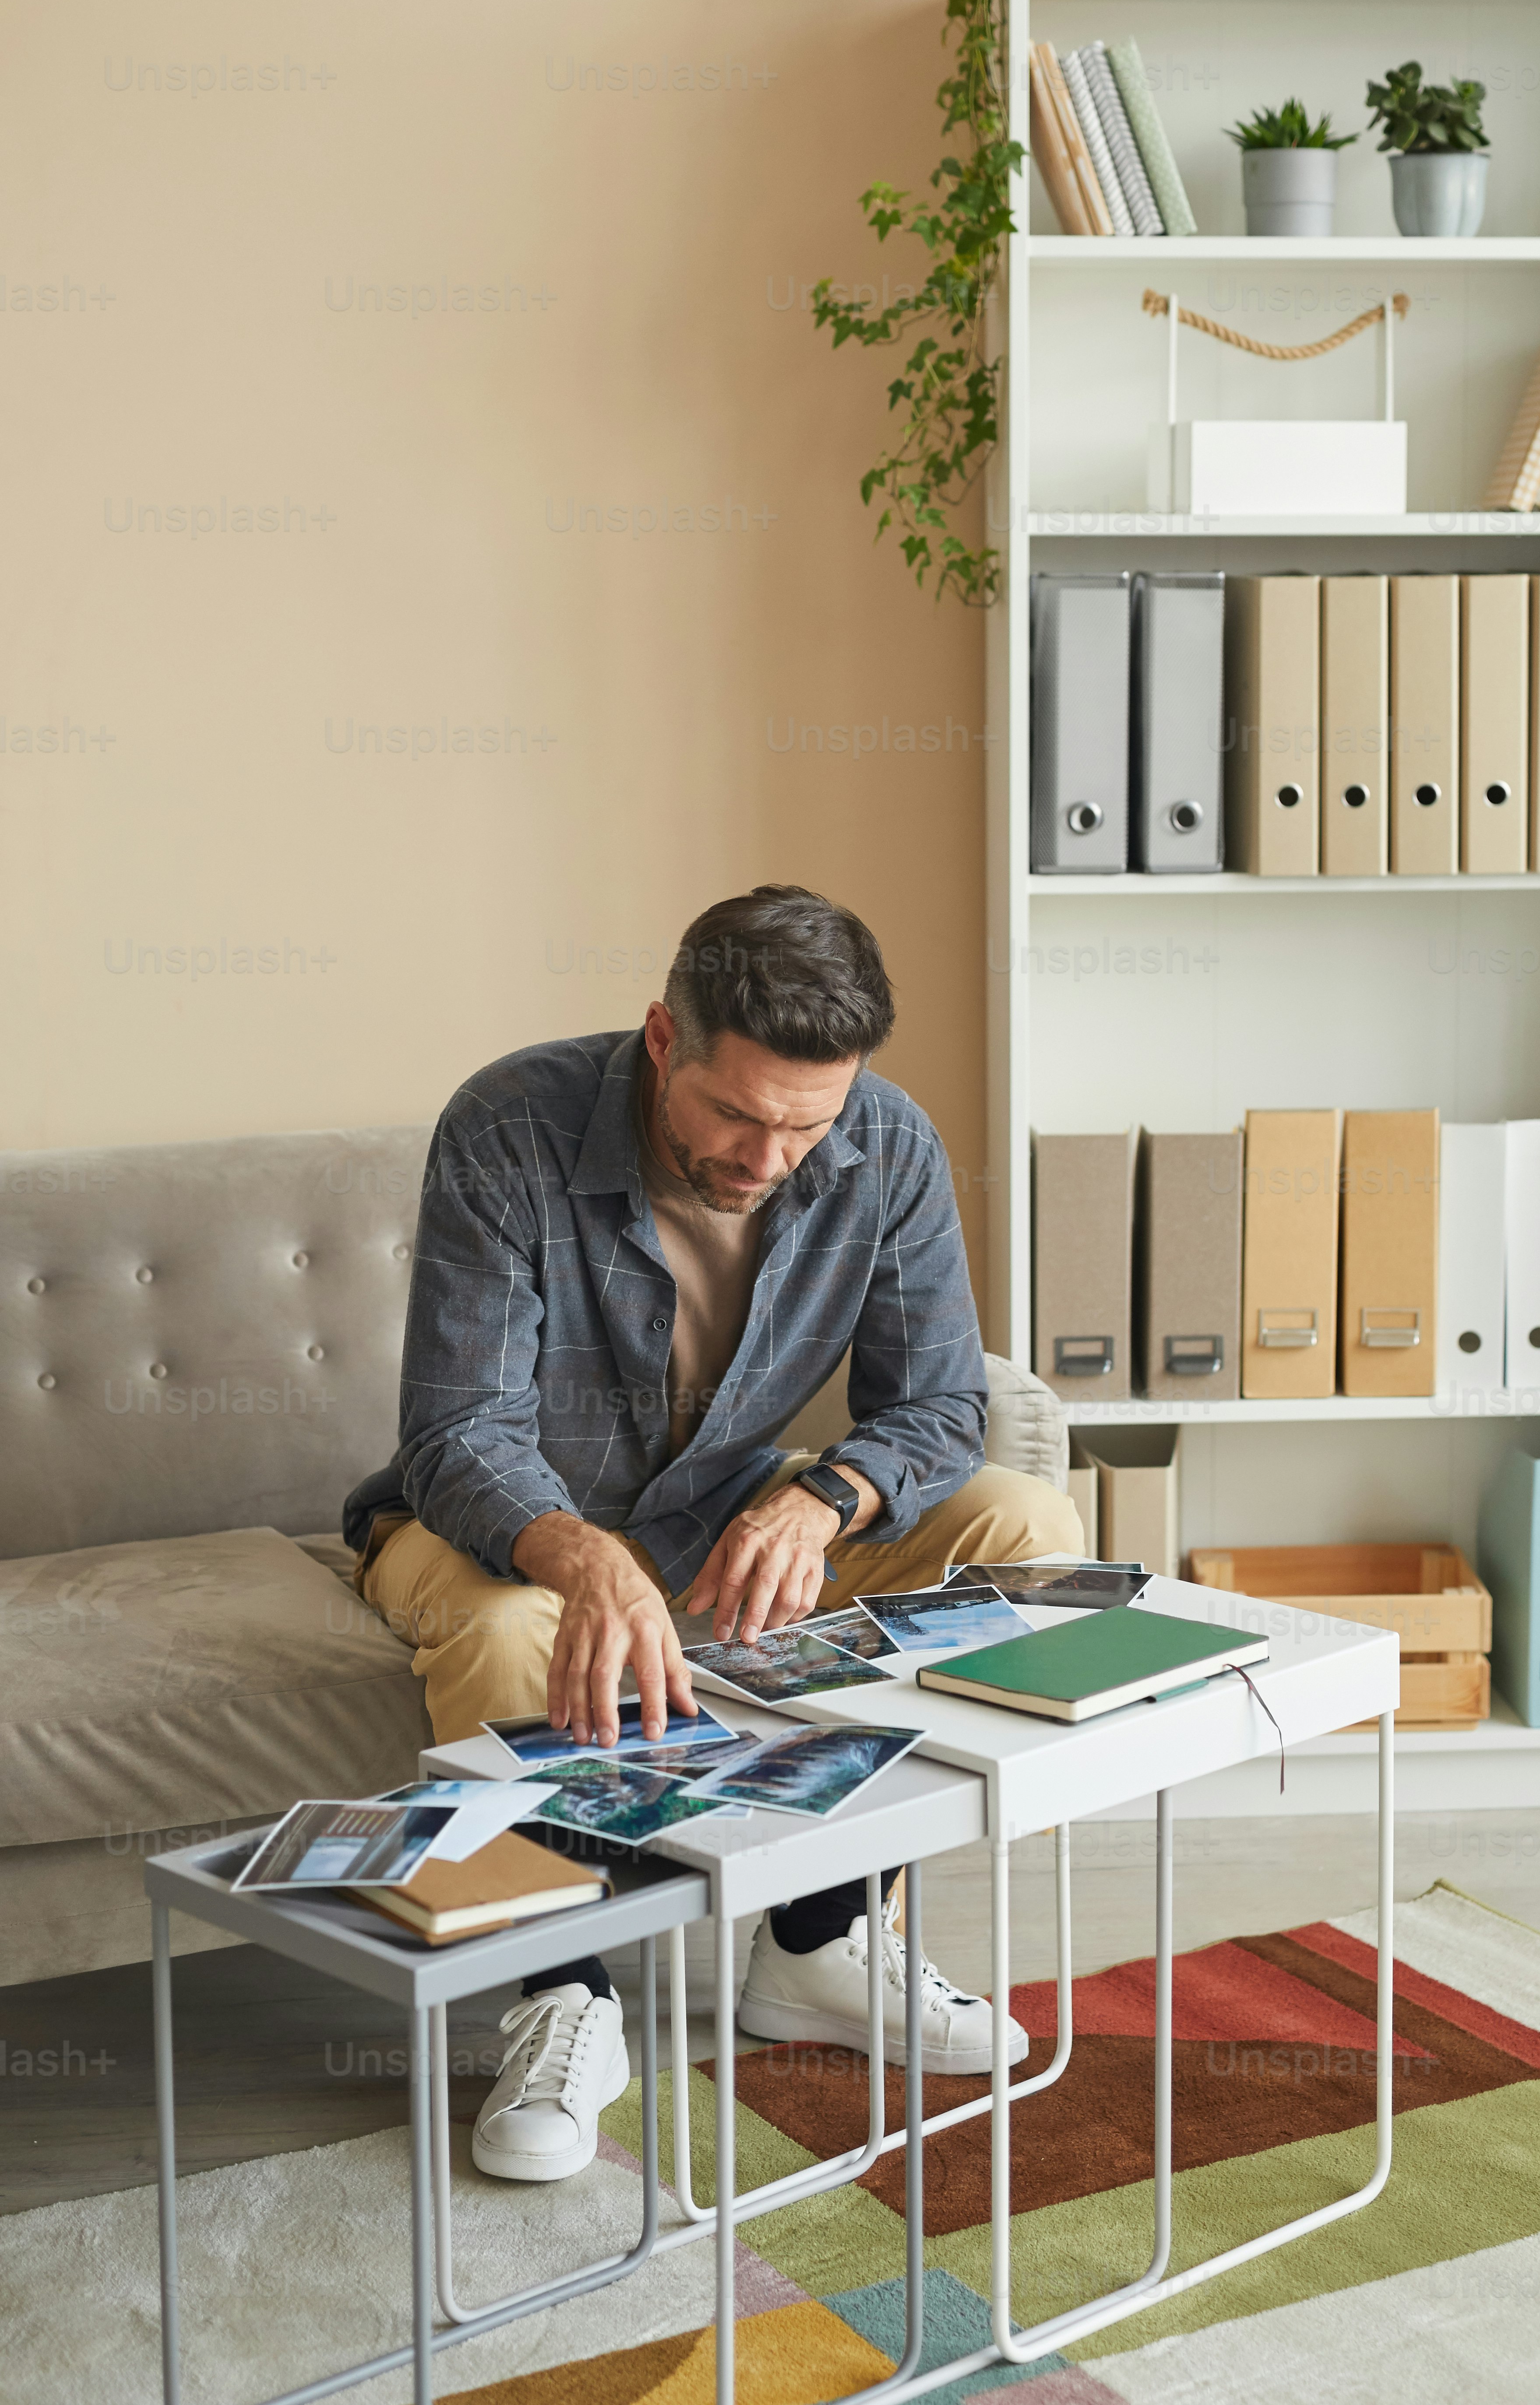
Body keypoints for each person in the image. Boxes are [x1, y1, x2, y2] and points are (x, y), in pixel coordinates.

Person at [343, 884, 1083, 2182]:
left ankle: (818, 1942)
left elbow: (942, 1405)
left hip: (725, 1501)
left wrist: (828, 1497)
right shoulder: (509, 1125)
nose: (766, 1158)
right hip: (483, 1528)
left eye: (806, 1125)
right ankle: (559, 1996)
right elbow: (458, 1430)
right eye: (736, 1114)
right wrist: (586, 1558)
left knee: (1023, 1518)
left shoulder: (891, 1146)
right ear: (663, 1040)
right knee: (527, 1622)